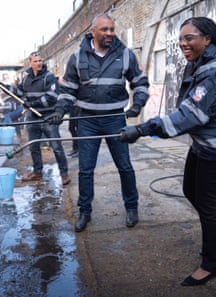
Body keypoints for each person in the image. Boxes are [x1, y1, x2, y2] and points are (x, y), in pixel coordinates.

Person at [120, 17, 216, 286]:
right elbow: (186, 110)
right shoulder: (199, 63)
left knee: (207, 203)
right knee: (191, 190)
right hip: (206, 142)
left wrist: (142, 129)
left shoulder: (212, 70)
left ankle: (211, 263)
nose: (182, 43)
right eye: (180, 38)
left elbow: (189, 115)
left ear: (207, 39)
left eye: (189, 37)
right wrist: (151, 127)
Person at [46, 14, 149, 232]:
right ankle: (85, 212)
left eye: (112, 29)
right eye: (105, 29)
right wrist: (59, 110)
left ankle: (132, 207)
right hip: (87, 120)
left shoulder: (125, 55)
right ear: (93, 32)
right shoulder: (76, 57)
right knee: (85, 169)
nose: (110, 33)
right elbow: (69, 90)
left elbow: (140, 83)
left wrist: (138, 105)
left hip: (115, 118)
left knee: (125, 166)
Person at [17, 51, 71, 186]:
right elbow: (21, 93)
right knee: (34, 146)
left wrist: (33, 103)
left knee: (56, 146)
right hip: (32, 117)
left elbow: (52, 96)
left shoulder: (49, 77)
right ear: (30, 63)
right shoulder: (26, 78)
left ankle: (64, 174)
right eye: (35, 61)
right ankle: (37, 171)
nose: (39, 63)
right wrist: (21, 98)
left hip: (48, 117)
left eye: (40, 60)